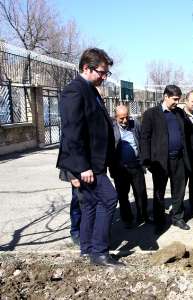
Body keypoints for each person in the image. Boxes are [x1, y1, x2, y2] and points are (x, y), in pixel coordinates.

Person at [56, 48, 123, 267]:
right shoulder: (74, 90)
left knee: (91, 204)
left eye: (106, 73)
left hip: (95, 162)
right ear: (86, 68)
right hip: (87, 164)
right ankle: (100, 253)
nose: (104, 77)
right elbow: (72, 132)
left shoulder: (91, 90)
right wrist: (82, 167)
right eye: (101, 72)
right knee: (109, 198)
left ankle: (87, 248)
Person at [140, 85, 191, 230]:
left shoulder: (179, 113)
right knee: (159, 193)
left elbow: (186, 132)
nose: (177, 102)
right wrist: (146, 160)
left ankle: (177, 218)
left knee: (179, 190)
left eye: (178, 99)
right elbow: (145, 138)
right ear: (166, 96)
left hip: (179, 159)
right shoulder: (151, 114)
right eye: (175, 99)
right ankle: (159, 221)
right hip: (160, 162)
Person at [110, 105, 149, 228]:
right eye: (121, 118)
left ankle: (142, 216)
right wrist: (112, 168)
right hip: (120, 168)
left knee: (141, 193)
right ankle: (127, 219)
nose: (125, 121)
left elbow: (142, 140)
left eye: (126, 117)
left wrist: (144, 161)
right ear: (116, 117)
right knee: (122, 195)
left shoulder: (135, 124)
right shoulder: (112, 129)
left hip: (136, 165)